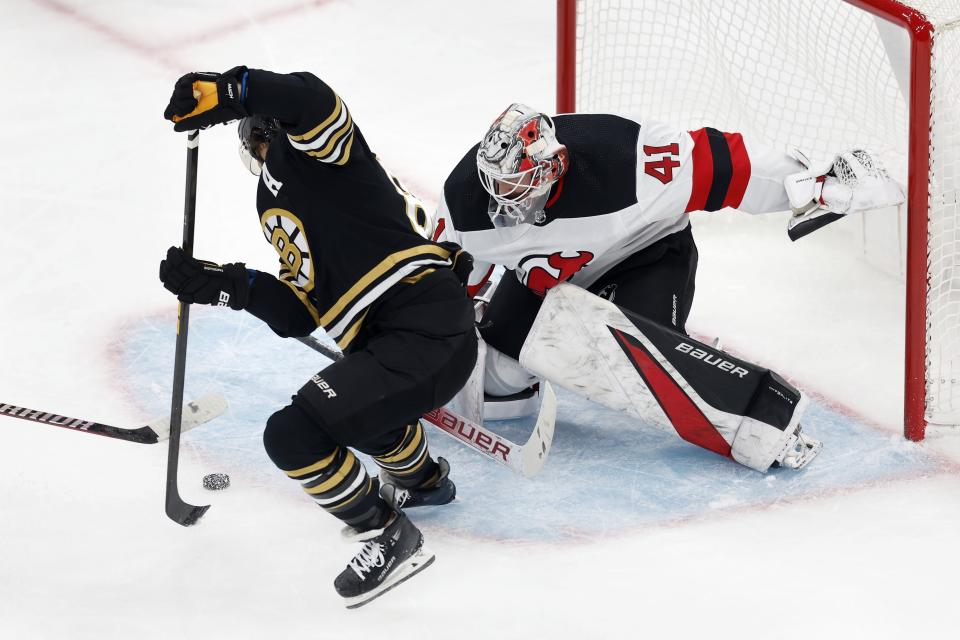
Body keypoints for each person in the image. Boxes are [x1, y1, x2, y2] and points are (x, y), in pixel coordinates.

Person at [435, 103, 903, 472]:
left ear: (555, 165)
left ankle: (743, 400)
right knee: (499, 389)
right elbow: (446, 277)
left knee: (625, 357)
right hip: (552, 279)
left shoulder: (629, 161)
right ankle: (543, 356)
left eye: (518, 184)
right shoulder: (465, 201)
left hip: (648, 256)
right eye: (497, 183)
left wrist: (816, 185)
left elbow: (726, 165)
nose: (503, 198)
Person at [159, 66, 477, 608]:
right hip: (405, 339)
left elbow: (313, 97)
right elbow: (299, 313)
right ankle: (425, 482)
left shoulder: (322, 153)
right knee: (360, 404)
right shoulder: (274, 201)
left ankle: (389, 533)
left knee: (292, 434)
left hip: (423, 322)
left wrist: (235, 89)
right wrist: (222, 285)